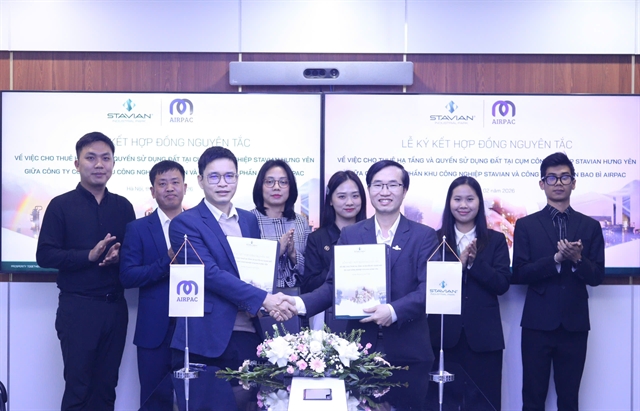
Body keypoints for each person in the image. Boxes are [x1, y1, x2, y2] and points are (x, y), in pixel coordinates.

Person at [275, 160, 439, 365]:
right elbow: (334, 286)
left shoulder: (424, 236)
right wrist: (298, 303)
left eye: (392, 185)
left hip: (409, 350)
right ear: (369, 190)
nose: (384, 192)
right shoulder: (351, 234)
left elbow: (429, 290)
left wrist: (393, 311)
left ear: (404, 190)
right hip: (359, 349)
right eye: (378, 185)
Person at [167, 146, 294, 411]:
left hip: (248, 333)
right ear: (200, 180)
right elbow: (209, 274)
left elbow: (253, 272)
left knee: (248, 405)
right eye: (214, 177)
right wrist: (265, 299)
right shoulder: (184, 223)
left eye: (229, 176)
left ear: (237, 178)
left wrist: (264, 302)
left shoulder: (248, 220)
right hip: (206, 337)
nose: (223, 183)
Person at [36, 132, 136, 411]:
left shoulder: (124, 206)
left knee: (107, 388)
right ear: (77, 164)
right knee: (78, 389)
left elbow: (133, 255)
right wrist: (88, 256)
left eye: (106, 158)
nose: (99, 164)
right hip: (78, 309)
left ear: (113, 164)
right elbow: (45, 255)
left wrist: (119, 257)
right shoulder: (61, 205)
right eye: (91, 158)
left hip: (115, 309)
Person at [512, 152, 605, 411]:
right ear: (542, 184)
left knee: (569, 399)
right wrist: (555, 259)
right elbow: (519, 273)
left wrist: (577, 260)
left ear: (574, 183)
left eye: (565, 177)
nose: (559, 183)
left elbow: (597, 276)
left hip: (575, 325)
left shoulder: (590, 226)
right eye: (552, 178)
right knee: (533, 398)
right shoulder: (526, 225)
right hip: (537, 324)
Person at [427, 176, 511, 410]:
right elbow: (429, 285)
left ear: (479, 202)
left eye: (469, 199)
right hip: (444, 337)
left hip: (484, 338)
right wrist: (459, 266)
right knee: (444, 403)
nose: (463, 205)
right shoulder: (434, 239)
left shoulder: (495, 240)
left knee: (484, 403)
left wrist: (474, 264)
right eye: (457, 199)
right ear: (449, 203)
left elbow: (502, 284)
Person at [119, 160, 187, 410]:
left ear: (185, 187)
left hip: (194, 329)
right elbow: (128, 277)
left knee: (196, 398)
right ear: (152, 190)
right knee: (153, 401)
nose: (169, 188)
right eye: (162, 183)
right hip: (153, 332)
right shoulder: (137, 229)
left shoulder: (199, 226)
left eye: (175, 182)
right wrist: (167, 261)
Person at [300, 170, 367, 330]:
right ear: (330, 200)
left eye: (355, 196)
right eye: (342, 196)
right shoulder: (317, 238)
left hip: (366, 311)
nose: (349, 202)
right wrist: (340, 263)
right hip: (326, 315)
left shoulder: (372, 234)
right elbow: (309, 284)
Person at [250, 159, 310, 289]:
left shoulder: (301, 222)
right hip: (260, 296)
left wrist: (293, 254)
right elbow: (244, 270)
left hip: (296, 296)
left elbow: (311, 271)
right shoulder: (248, 220)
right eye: (269, 182)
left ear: (290, 187)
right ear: (260, 186)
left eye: (283, 182)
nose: (276, 187)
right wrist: (276, 252)